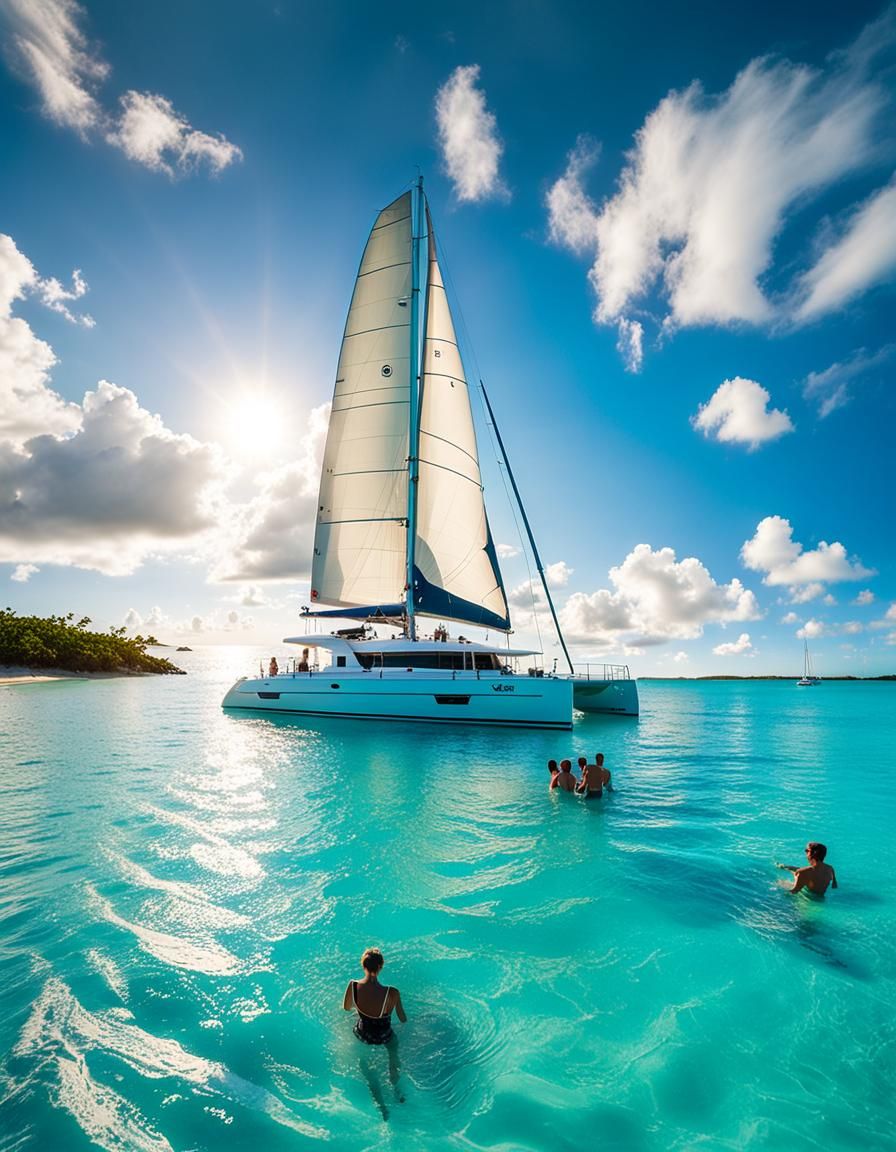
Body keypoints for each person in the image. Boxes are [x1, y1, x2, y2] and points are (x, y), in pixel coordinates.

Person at [343, 947, 407, 1119]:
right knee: (393, 1056)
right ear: (381, 967)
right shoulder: (391, 992)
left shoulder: (353, 986)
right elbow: (402, 1018)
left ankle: (382, 1107)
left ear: (363, 966)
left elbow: (347, 1007)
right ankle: (396, 1090)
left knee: (366, 1068)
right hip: (384, 1035)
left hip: (363, 1034)